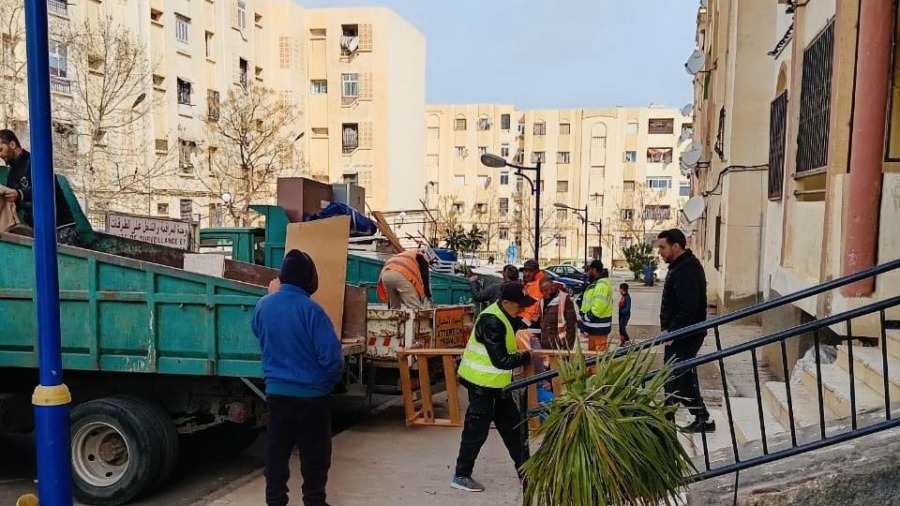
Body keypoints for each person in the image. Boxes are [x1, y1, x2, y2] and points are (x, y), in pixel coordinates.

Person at [252, 249, 344, 506]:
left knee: (276, 455)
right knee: (315, 458)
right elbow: (331, 359)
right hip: (313, 398)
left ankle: (275, 501)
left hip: (277, 394)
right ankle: (314, 501)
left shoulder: (263, 306)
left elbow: (259, 333)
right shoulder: (313, 311)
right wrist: (327, 383)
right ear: (310, 279)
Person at [451, 282, 535, 493]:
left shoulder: (504, 315)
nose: (521, 309)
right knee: (475, 433)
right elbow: (502, 360)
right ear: (506, 302)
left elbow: (513, 327)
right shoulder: (491, 320)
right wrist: (526, 356)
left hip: (499, 386)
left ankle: (527, 472)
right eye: (519, 305)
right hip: (482, 386)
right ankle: (461, 475)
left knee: (515, 430)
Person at [657, 228, 715, 433]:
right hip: (680, 334)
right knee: (675, 377)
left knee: (677, 377)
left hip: (685, 334)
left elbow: (689, 308)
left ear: (676, 247)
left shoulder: (686, 270)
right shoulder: (680, 267)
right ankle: (673, 419)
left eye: (662, 247)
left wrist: (672, 331)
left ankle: (695, 418)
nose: (660, 252)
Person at [0, 129, 74, 229]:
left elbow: (46, 187)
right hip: (38, 229)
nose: (0, 155)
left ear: (12, 144)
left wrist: (20, 193)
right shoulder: (12, 175)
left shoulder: (35, 162)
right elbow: (13, 204)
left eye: (1, 149)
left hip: (60, 226)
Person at [579, 260, 614, 352]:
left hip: (599, 327)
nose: (586, 272)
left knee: (597, 356)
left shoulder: (601, 285)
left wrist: (585, 318)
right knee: (592, 355)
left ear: (594, 270)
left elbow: (597, 309)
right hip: (595, 327)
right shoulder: (596, 283)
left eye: (588, 270)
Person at [538, 277, 578, 351]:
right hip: (546, 344)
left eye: (546, 290)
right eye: (541, 291)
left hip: (560, 345)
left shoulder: (565, 299)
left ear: (553, 287)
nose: (543, 293)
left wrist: (567, 348)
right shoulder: (542, 301)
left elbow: (571, 326)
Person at [519, 259, 545, 337]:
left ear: (537, 271)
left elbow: (533, 310)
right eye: (525, 271)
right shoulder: (531, 283)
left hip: (530, 323)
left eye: (530, 271)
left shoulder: (537, 285)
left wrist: (523, 325)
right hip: (527, 320)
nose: (526, 274)